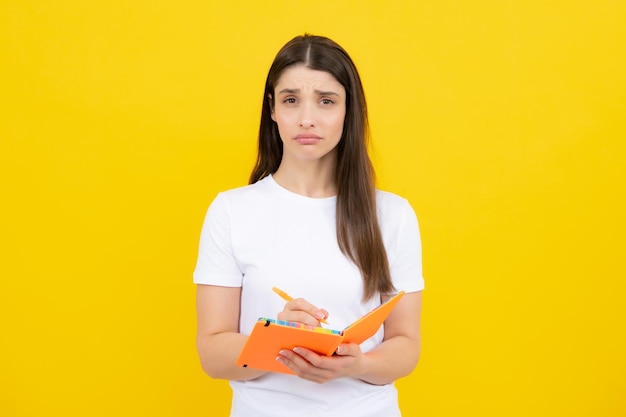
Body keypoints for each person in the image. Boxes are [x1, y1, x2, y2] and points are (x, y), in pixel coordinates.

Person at [194, 34, 424, 417]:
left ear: (349, 110)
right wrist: (273, 340)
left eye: (326, 101)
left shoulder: (393, 215)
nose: (307, 118)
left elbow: (406, 345)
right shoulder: (231, 211)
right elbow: (212, 354)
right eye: (290, 100)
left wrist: (359, 363)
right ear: (272, 109)